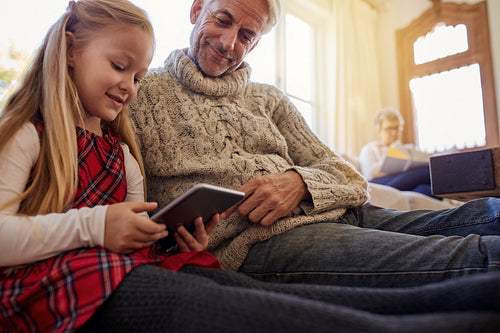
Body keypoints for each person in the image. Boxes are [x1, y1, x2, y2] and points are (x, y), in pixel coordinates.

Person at [129, 0, 500, 290]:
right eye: (223, 20)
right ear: (196, 11)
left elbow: (351, 178)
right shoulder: (139, 92)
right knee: (468, 254)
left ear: (255, 44)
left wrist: (298, 182)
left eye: (245, 35)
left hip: (341, 212)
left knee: (486, 214)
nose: (229, 43)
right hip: (261, 242)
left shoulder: (269, 98)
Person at [0, 0, 220, 331]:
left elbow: (136, 247)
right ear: (71, 51)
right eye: (119, 66)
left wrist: (173, 241)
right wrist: (94, 226)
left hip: (115, 275)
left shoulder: (124, 159)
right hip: (42, 289)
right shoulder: (28, 135)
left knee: (206, 277)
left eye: (138, 78)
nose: (129, 87)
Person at [359, 108, 435, 198]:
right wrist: (391, 153)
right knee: (425, 172)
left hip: (407, 182)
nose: (394, 132)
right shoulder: (369, 149)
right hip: (381, 183)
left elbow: (427, 159)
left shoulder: (408, 148)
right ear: (379, 131)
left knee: (426, 189)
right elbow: (369, 173)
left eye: (397, 128)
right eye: (389, 129)